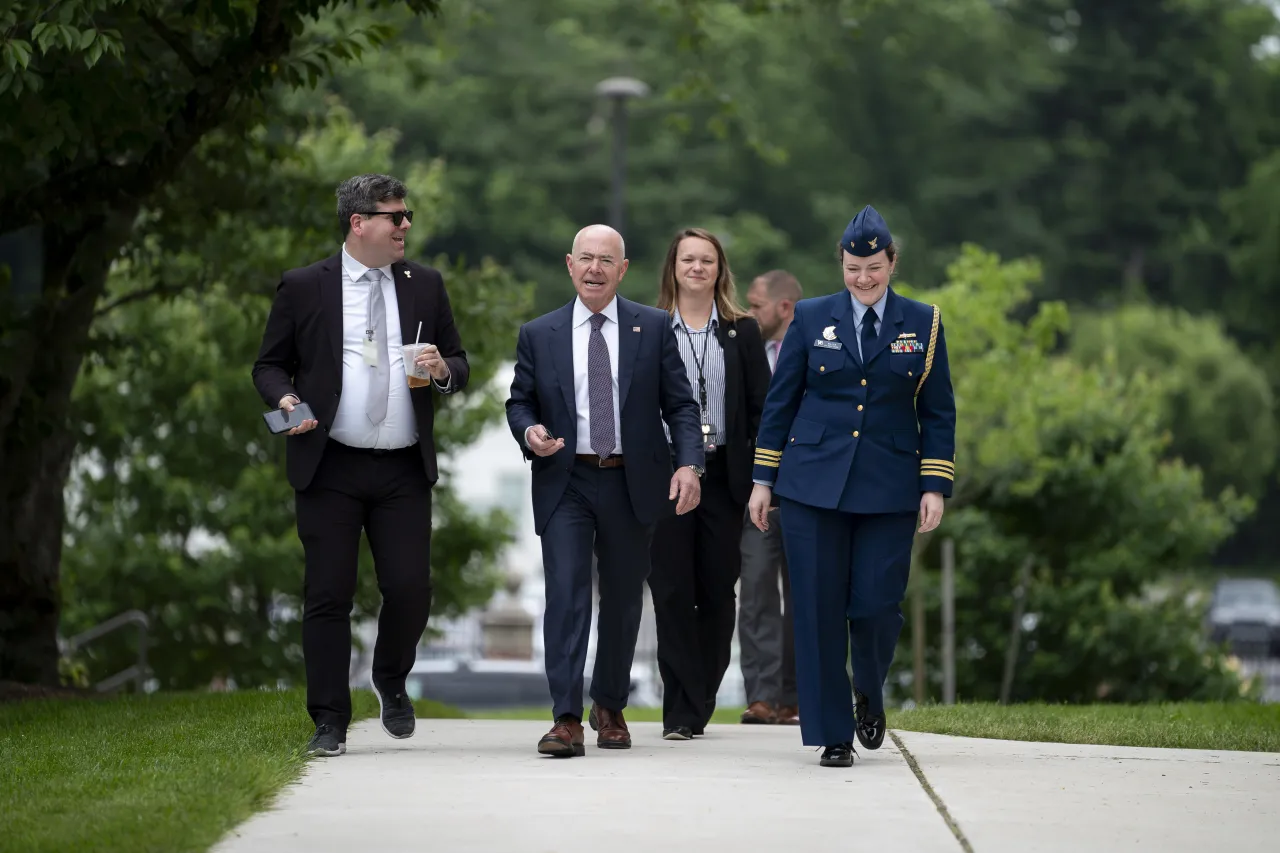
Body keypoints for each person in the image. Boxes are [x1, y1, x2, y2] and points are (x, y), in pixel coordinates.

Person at [252, 173, 469, 757]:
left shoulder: (425, 284)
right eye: (395, 216)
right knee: (327, 594)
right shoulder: (303, 286)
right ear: (358, 222)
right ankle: (329, 719)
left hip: (402, 468)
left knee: (410, 589)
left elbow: (461, 362)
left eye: (407, 217)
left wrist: (444, 369)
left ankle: (390, 676)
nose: (405, 226)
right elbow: (268, 366)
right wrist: (285, 399)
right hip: (330, 467)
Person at [746, 205, 955, 767]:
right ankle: (832, 731)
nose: (863, 279)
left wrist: (934, 484)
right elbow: (781, 402)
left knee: (877, 606)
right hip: (812, 485)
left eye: (874, 268)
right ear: (840, 264)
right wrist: (763, 479)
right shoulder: (812, 318)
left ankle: (869, 685)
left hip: (889, 486)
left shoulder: (924, 322)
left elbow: (938, 412)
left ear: (892, 263)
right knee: (815, 611)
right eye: (852, 268)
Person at [505, 224, 705, 758]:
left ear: (623, 269)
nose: (595, 269)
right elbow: (519, 401)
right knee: (567, 595)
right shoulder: (539, 333)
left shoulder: (654, 327)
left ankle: (609, 705)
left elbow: (681, 406)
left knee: (621, 599)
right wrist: (529, 432)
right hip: (565, 480)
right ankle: (565, 718)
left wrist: (689, 465)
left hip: (631, 480)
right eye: (586, 259)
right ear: (569, 265)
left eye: (606, 260)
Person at [647, 228, 771, 741]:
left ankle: (701, 691)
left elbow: (763, 409)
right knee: (671, 590)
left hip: (725, 477)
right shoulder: (649, 328)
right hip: (666, 476)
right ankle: (680, 708)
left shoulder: (743, 332)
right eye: (688, 259)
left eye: (707, 261)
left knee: (718, 591)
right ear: (672, 267)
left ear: (720, 271)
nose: (697, 268)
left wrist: (766, 476)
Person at [738, 269, 803, 727]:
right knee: (757, 589)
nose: (748, 311)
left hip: (805, 494)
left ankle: (794, 697)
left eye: (756, 304)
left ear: (783, 308)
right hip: (757, 492)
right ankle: (760, 696)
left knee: (805, 596)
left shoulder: (816, 349)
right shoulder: (746, 352)